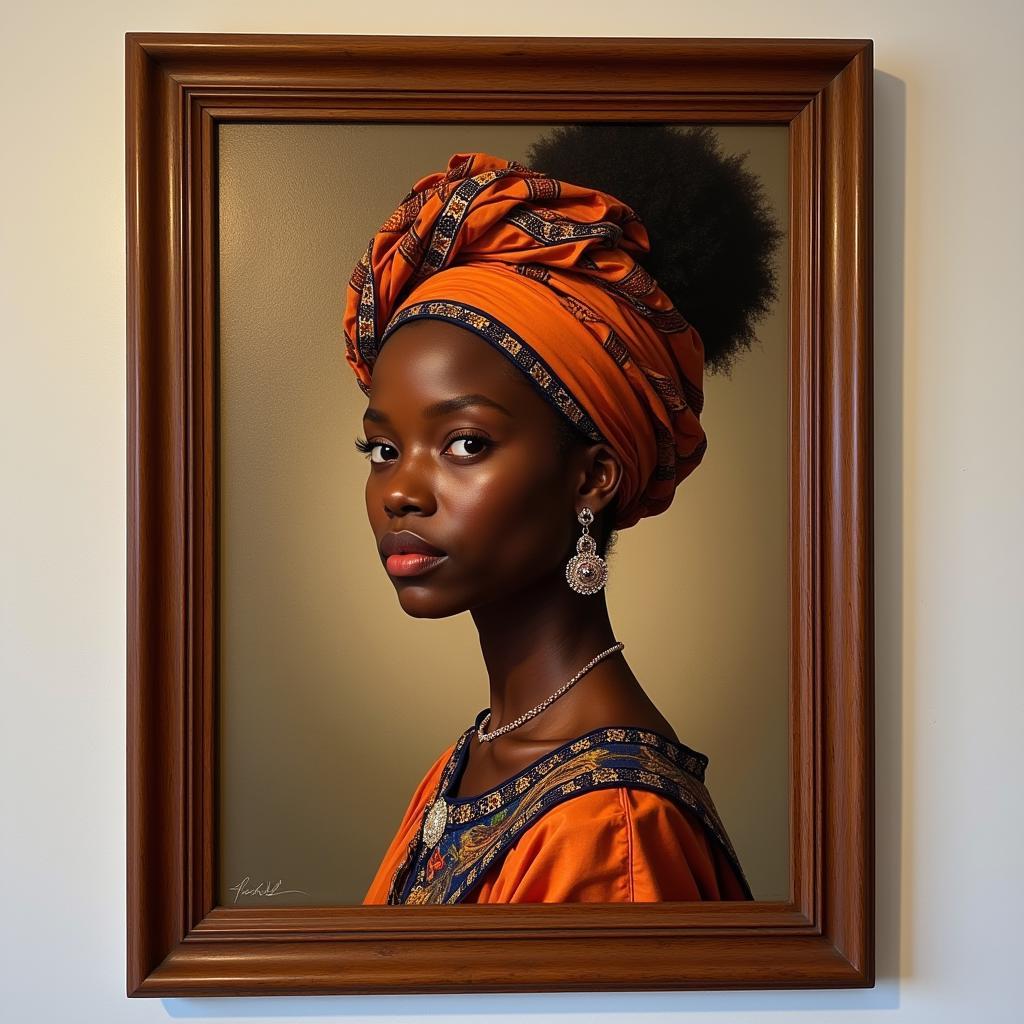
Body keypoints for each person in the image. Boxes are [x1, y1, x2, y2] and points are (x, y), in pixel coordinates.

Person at [342, 147, 757, 905]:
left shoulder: (611, 831)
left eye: (466, 443)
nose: (400, 490)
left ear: (591, 477)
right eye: (383, 448)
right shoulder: (475, 758)